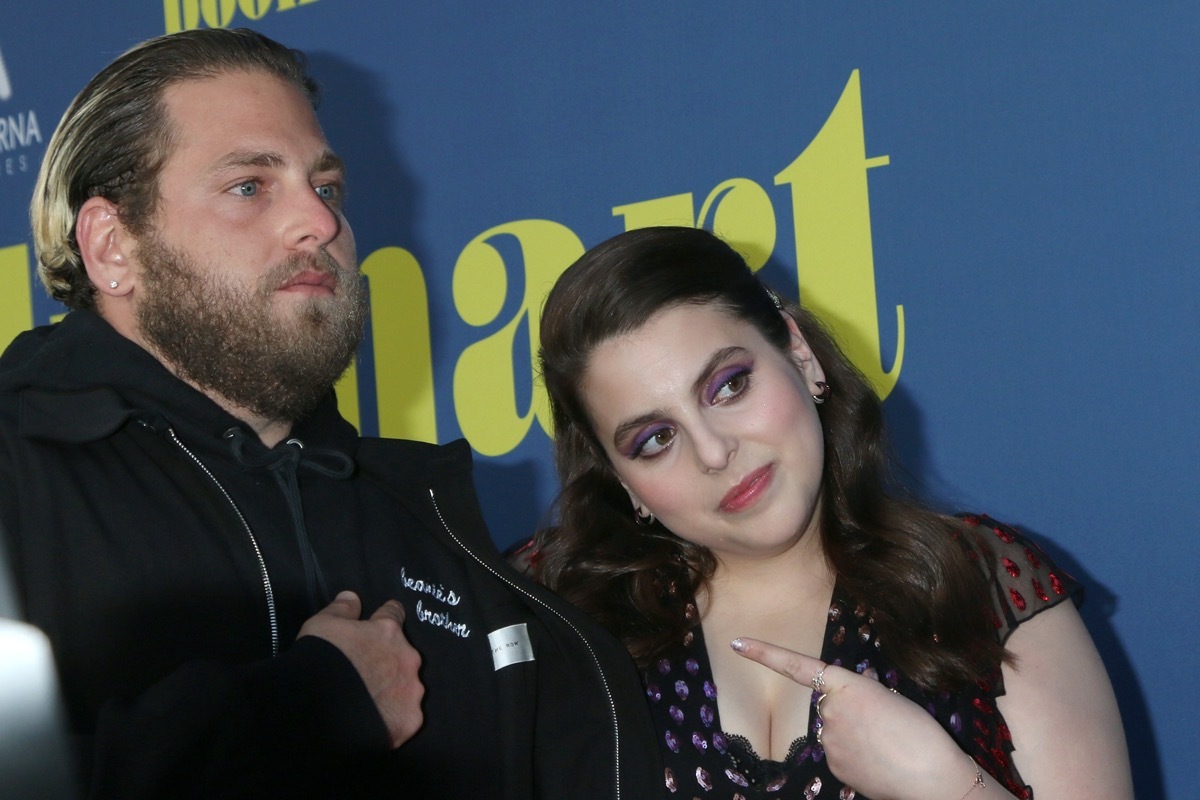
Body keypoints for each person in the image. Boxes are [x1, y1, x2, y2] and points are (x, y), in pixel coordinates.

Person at [0, 28, 658, 800]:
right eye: (250, 186)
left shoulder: (426, 522)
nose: (319, 222)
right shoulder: (18, 477)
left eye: (328, 187)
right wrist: (311, 708)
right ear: (113, 247)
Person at [529, 226, 1133, 799]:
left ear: (799, 353)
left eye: (729, 386)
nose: (714, 452)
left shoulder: (979, 583)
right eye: (655, 439)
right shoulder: (555, 621)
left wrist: (943, 784)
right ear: (621, 480)